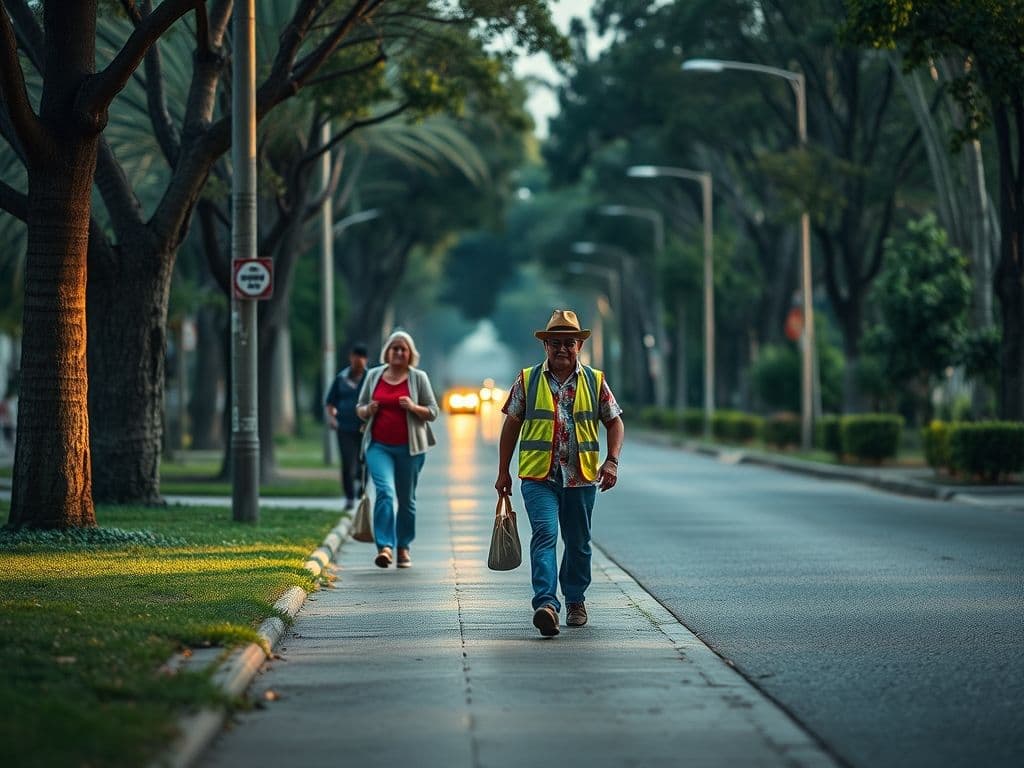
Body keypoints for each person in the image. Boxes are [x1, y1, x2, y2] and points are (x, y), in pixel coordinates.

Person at [495, 309, 624, 637]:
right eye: (556, 343)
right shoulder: (528, 379)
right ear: (546, 346)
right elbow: (511, 423)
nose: (563, 349)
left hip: (580, 477)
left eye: (569, 343)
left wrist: (611, 461)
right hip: (539, 477)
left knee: (578, 543)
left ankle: (576, 600)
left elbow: (614, 421)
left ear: (579, 345)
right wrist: (503, 472)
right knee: (545, 536)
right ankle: (546, 604)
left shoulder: (594, 380)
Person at [356, 330, 438, 569]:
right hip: (378, 446)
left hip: (411, 450)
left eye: (403, 349)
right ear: (387, 352)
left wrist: (413, 406)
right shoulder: (374, 376)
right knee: (385, 493)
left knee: (407, 500)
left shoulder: (418, 378)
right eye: (395, 348)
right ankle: (385, 547)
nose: (399, 352)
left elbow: (433, 412)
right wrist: (367, 410)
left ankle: (403, 547)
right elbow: (359, 408)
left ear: (410, 353)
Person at [324, 343, 370, 510]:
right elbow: (330, 402)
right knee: (347, 462)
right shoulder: (341, 379)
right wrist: (332, 418)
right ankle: (349, 497)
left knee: (366, 461)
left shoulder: (370, 379)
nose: (358, 361)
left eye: (362, 357)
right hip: (344, 427)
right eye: (355, 356)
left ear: (366, 359)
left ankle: (362, 487)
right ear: (351, 358)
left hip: (365, 427)